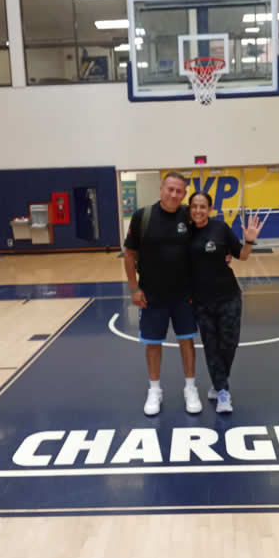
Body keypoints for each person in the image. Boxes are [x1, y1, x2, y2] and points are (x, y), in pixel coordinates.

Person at [124, 172, 202, 416]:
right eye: (170, 189)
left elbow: (208, 239)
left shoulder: (189, 216)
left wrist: (225, 253)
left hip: (184, 295)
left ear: (184, 194)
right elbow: (129, 255)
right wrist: (134, 288)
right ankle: (154, 390)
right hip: (152, 295)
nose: (174, 194)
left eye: (179, 191)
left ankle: (190, 388)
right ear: (161, 189)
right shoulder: (143, 216)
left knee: (186, 341)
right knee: (153, 343)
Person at [188, 192, 262, 413]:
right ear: (189, 209)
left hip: (229, 296)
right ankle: (222, 392)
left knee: (229, 344)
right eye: (194, 206)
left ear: (210, 209)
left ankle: (218, 383)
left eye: (203, 206)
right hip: (201, 301)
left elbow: (242, 255)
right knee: (211, 346)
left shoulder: (220, 228)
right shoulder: (184, 233)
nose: (198, 210)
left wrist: (249, 241)